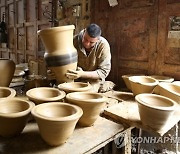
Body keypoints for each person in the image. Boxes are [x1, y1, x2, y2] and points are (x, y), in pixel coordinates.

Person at [66, 23, 114, 92]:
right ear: (84, 31)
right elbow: (64, 61)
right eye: (85, 39)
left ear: (97, 40)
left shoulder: (103, 45)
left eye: (91, 42)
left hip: (93, 79)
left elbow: (103, 72)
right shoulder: (74, 41)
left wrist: (82, 74)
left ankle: (106, 84)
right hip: (75, 78)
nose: (87, 44)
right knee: (65, 90)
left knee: (85, 93)